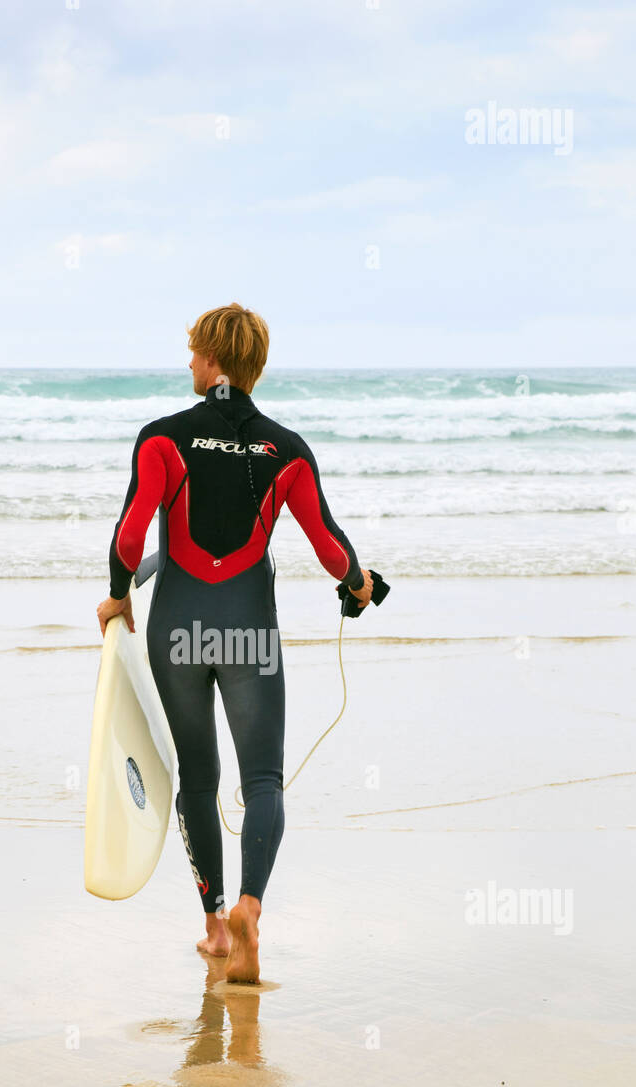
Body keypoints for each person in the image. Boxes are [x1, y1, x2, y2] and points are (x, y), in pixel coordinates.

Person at [97, 304, 373, 982]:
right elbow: (332, 550)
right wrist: (361, 586)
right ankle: (253, 904)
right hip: (249, 630)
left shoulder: (163, 438)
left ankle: (216, 928)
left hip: (178, 628)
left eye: (195, 352)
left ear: (215, 359)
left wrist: (118, 594)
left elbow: (131, 538)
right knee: (264, 780)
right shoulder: (287, 449)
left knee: (199, 776)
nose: (189, 362)